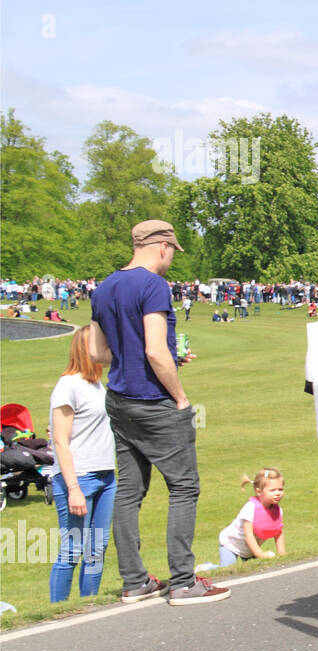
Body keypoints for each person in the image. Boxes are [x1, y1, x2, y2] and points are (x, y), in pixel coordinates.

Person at [89, 219, 229, 605]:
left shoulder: (104, 287)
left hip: (118, 398)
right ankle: (183, 581)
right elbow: (153, 349)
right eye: (172, 251)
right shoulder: (153, 285)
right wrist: (181, 396)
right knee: (184, 486)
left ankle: (134, 580)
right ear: (163, 247)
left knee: (130, 490)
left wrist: (161, 357)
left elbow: (97, 353)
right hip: (153, 400)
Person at [48, 326, 117, 602]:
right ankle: (58, 612)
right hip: (79, 478)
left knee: (97, 548)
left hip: (106, 476)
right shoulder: (68, 385)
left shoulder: (97, 385)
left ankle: (89, 607)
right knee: (72, 549)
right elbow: (60, 442)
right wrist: (73, 487)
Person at [216, 468, 286, 566]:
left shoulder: (278, 511)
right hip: (231, 545)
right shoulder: (250, 508)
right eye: (273, 490)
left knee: (258, 569)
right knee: (227, 568)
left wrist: (282, 554)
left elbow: (278, 532)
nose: (278, 493)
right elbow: (248, 535)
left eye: (280, 489)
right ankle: (206, 568)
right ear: (259, 492)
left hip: (250, 549)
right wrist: (259, 554)